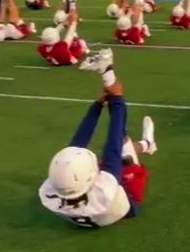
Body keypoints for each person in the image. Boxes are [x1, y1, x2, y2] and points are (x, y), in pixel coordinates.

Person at [39, 48, 157, 229]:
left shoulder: (51, 195)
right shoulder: (106, 189)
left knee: (81, 162)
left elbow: (77, 146)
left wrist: (97, 105)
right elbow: (113, 142)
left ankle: (106, 69)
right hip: (127, 203)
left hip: (90, 203)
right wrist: (117, 99)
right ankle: (148, 143)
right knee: (123, 149)